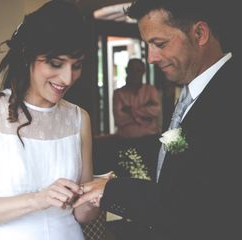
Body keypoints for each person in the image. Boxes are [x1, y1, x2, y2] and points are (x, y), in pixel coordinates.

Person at [74, 0, 241, 239]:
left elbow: (198, 201)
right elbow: (181, 165)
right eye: (147, 46)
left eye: (160, 44)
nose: (151, 58)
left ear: (199, 33)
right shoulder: (190, 94)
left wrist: (110, 190)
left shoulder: (232, 96)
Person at [0, 1, 99, 240]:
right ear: (27, 53)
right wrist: (37, 199)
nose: (67, 78)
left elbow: (83, 215)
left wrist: (96, 194)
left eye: (77, 66)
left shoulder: (79, 118)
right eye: (56, 63)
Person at [113, 58, 161, 138]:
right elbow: (119, 119)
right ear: (127, 71)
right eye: (132, 70)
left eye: (138, 70)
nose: (135, 74)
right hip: (126, 140)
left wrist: (131, 111)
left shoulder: (151, 90)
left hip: (150, 138)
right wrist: (145, 113)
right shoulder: (118, 93)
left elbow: (156, 111)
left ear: (143, 72)